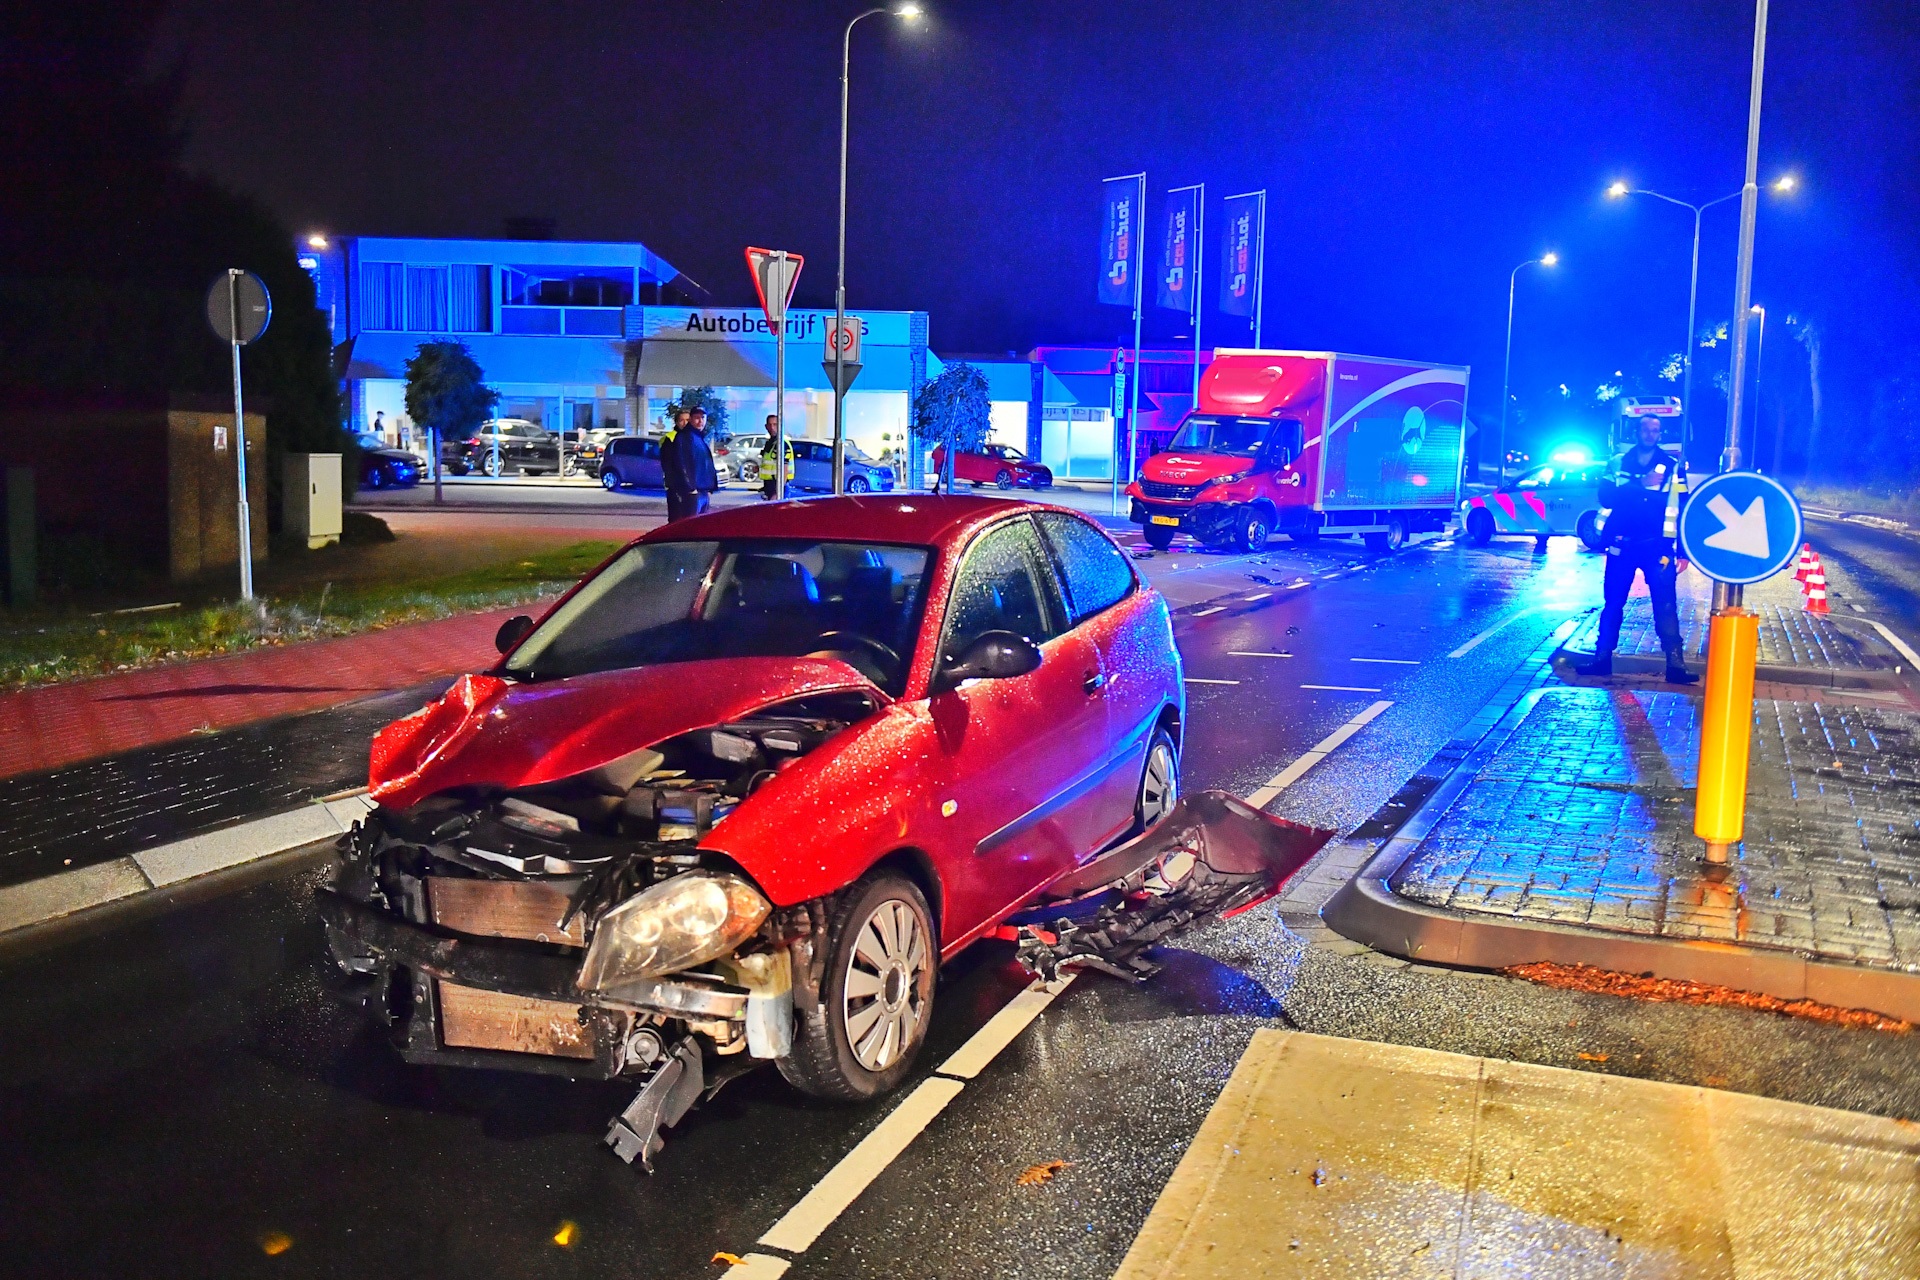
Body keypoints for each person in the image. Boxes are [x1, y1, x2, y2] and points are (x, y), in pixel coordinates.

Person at [1576, 416, 1698, 684]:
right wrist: (1641, 484)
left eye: (1655, 430)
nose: (1650, 434)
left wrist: (1684, 551)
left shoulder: (1672, 467)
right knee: (1613, 603)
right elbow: (1605, 497)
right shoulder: (1618, 463)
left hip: (1658, 547)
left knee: (1666, 605)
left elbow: (1684, 507)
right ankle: (1602, 658)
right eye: (1646, 429)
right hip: (1622, 544)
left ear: (1660, 434)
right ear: (1637, 432)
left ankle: (1675, 664)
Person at [673, 407, 719, 519]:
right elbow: (682, 463)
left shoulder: (698, 437)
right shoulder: (685, 437)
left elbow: (706, 464)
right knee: (691, 523)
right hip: (694, 492)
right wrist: (690, 488)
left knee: (699, 523)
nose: (700, 421)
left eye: (703, 418)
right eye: (697, 418)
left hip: (702, 490)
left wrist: (710, 487)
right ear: (691, 419)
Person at [661, 407, 690, 522]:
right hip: (676, 487)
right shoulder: (671, 438)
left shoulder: (692, 437)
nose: (685, 423)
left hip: (691, 487)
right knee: (676, 519)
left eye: (687, 420)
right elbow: (667, 463)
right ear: (677, 422)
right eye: (682, 420)